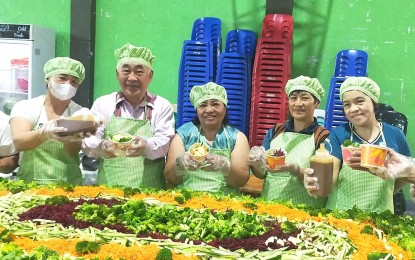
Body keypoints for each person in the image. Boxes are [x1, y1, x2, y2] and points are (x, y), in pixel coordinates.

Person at [304, 77, 412, 213]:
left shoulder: (395, 135)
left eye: (359, 101)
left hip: (381, 215)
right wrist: (317, 183)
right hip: (341, 215)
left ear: (374, 102)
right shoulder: (338, 134)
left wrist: (387, 191)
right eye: (347, 104)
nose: (353, 109)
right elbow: (330, 175)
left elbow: (405, 173)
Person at [82, 44, 175, 189]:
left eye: (139, 72)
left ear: (150, 76)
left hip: (150, 193)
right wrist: (101, 146)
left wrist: (145, 146)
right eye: (126, 71)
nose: (132, 78)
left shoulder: (162, 105)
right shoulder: (103, 103)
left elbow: (164, 142)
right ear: (117, 74)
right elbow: (88, 139)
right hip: (108, 192)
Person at [249, 75, 329, 207]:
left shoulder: (322, 136)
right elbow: (261, 174)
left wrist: (297, 170)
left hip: (306, 211)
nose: (298, 103)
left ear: (316, 103)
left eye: (304, 98)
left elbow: (321, 181)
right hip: (270, 205)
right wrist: (257, 163)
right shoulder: (275, 131)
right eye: (293, 98)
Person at [9, 57, 87, 184]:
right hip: (29, 186)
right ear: (48, 79)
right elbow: (19, 142)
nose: (68, 84)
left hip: (68, 186)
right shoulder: (26, 107)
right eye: (62, 78)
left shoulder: (80, 113)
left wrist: (72, 137)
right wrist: (45, 133)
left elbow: (72, 151)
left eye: (74, 81)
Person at [163, 82, 250, 194]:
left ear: (225, 107)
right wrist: (181, 165)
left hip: (225, 203)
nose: (209, 110)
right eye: (203, 105)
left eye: (215, 104)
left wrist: (224, 166)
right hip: (187, 201)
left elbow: (240, 181)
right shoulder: (183, 135)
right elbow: (170, 179)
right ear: (196, 110)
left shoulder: (237, 137)